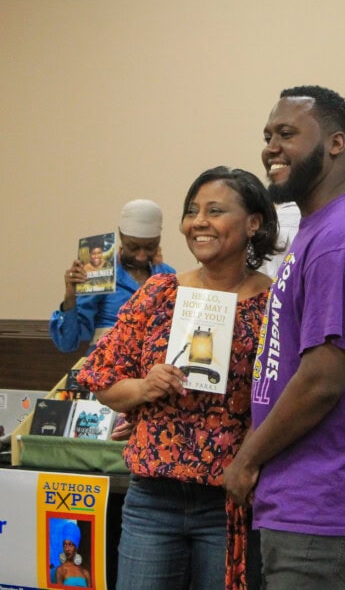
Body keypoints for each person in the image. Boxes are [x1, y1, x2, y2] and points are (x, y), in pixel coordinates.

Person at [223, 85, 345, 590]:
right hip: (309, 495)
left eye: (287, 133)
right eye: (267, 135)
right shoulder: (321, 227)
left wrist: (247, 458)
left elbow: (323, 379)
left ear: (336, 143)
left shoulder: (342, 239)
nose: (270, 147)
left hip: (324, 502)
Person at [76, 166, 279, 590]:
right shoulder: (160, 292)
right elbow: (102, 377)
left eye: (215, 210)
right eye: (192, 211)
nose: (198, 221)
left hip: (229, 501)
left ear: (253, 223)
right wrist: (144, 388)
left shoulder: (275, 303)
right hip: (153, 499)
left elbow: (285, 397)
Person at [49, 199, 175, 353]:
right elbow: (67, 343)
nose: (141, 256)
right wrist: (70, 297)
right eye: (133, 247)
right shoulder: (100, 274)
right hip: (107, 366)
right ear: (121, 236)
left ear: (159, 240)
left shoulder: (168, 277)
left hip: (154, 368)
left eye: (150, 247)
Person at [55, 521, 91, 587]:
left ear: (76, 547)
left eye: (70, 545)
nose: (67, 549)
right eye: (65, 545)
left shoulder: (85, 572)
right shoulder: (61, 570)